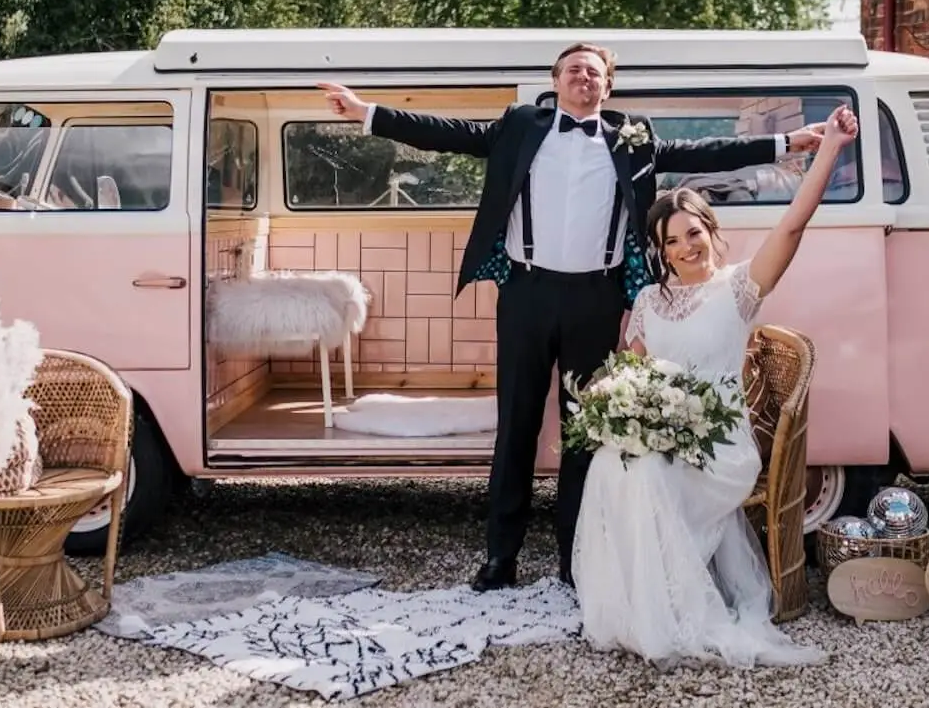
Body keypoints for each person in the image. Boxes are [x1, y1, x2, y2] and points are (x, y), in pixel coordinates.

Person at [319, 42, 830, 593]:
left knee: (585, 429)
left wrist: (784, 142)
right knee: (515, 426)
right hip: (526, 293)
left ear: (607, 87)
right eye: (573, 70)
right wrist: (368, 112)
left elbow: (702, 152)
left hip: (598, 299)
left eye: (594, 71)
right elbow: (450, 133)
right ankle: (500, 558)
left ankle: (575, 557)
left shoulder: (631, 136)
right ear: (556, 81)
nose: (584, 77)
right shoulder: (520, 124)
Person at [570, 103, 859, 668]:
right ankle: (637, 608)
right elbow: (630, 374)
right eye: (671, 241)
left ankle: (672, 614)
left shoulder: (739, 288)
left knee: (645, 473)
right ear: (659, 250)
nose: (685, 247)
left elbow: (793, 223)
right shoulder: (649, 303)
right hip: (666, 439)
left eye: (693, 232)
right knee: (615, 461)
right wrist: (605, 403)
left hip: (721, 448)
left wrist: (829, 149)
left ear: (710, 231)